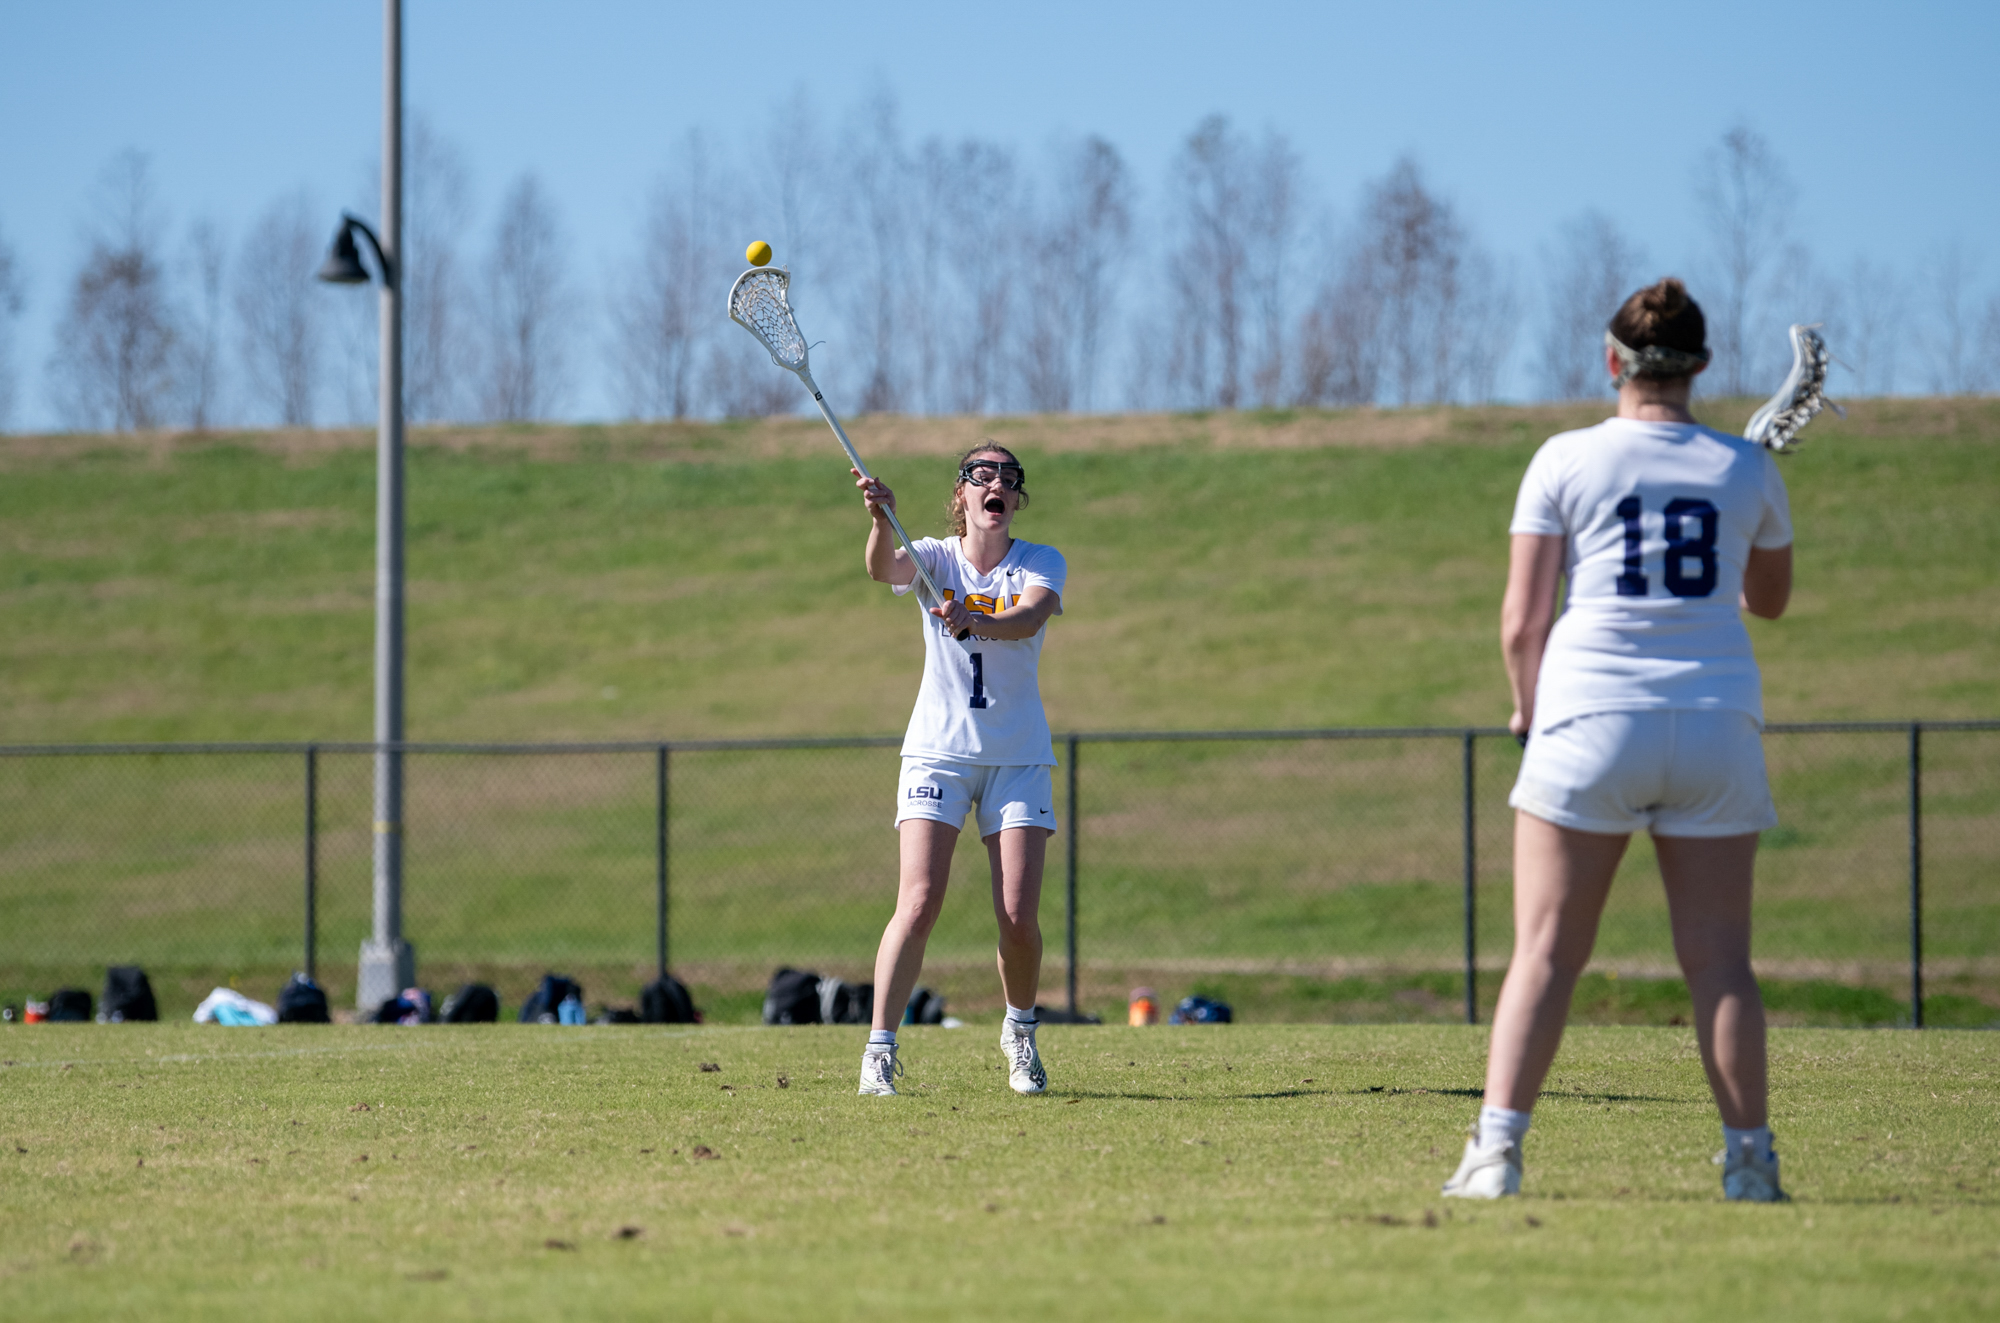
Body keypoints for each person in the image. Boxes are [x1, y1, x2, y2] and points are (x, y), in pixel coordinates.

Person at [1442, 278, 1795, 1202]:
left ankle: (1496, 1156)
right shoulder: (1746, 467)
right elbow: (1769, 600)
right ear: (1702, 366)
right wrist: (1748, 482)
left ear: (1612, 361)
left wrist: (1527, 708)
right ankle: (1750, 1165)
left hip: (1590, 715)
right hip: (1717, 719)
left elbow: (1523, 619)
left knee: (1548, 951)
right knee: (1720, 961)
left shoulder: (1563, 457)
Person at [852, 444, 1066, 1097]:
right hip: (938, 752)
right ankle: (879, 1052)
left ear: (1014, 498)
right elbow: (880, 566)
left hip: (1017, 755)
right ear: (962, 495)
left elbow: (1029, 615)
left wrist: (977, 616)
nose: (996, 483)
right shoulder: (932, 557)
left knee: (1017, 914)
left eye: (1007, 477)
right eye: (983, 475)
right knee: (917, 901)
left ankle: (1020, 1034)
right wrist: (881, 518)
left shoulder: (1040, 561)